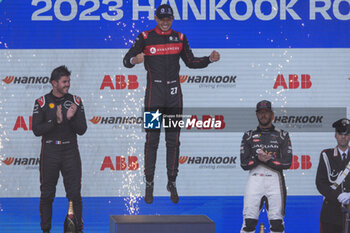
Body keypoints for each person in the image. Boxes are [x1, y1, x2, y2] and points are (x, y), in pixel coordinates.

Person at [123, 4, 220, 204]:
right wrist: (134, 59)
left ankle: (172, 182)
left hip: (174, 96)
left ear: (172, 19)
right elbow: (126, 60)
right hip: (154, 97)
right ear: (156, 18)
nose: (165, 23)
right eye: (162, 19)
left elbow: (191, 62)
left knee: (173, 141)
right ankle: (149, 183)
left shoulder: (180, 38)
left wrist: (209, 59)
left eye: (168, 19)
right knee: (152, 141)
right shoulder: (145, 37)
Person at [32, 65, 87, 233]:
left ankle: (78, 229)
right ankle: (46, 230)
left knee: (74, 194)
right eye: (64, 82)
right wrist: (56, 121)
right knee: (47, 194)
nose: (67, 85)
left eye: (69, 81)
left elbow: (82, 129)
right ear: (54, 83)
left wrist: (69, 119)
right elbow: (36, 130)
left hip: (70, 152)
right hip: (50, 153)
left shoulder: (76, 101)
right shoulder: (41, 102)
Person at [240, 100, 292, 233]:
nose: (263, 115)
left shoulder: (282, 135)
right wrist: (258, 158)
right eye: (260, 113)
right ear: (257, 115)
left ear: (272, 115)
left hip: (275, 181)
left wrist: (267, 160)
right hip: (255, 180)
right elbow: (244, 164)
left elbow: (287, 162)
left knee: (277, 224)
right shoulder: (248, 135)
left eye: (266, 112)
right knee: (248, 223)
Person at [316, 118, 350, 233]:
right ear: (335, 135)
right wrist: (338, 196)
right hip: (330, 214)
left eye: (346, 133)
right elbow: (320, 183)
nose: (343, 136)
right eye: (340, 133)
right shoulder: (326, 155)